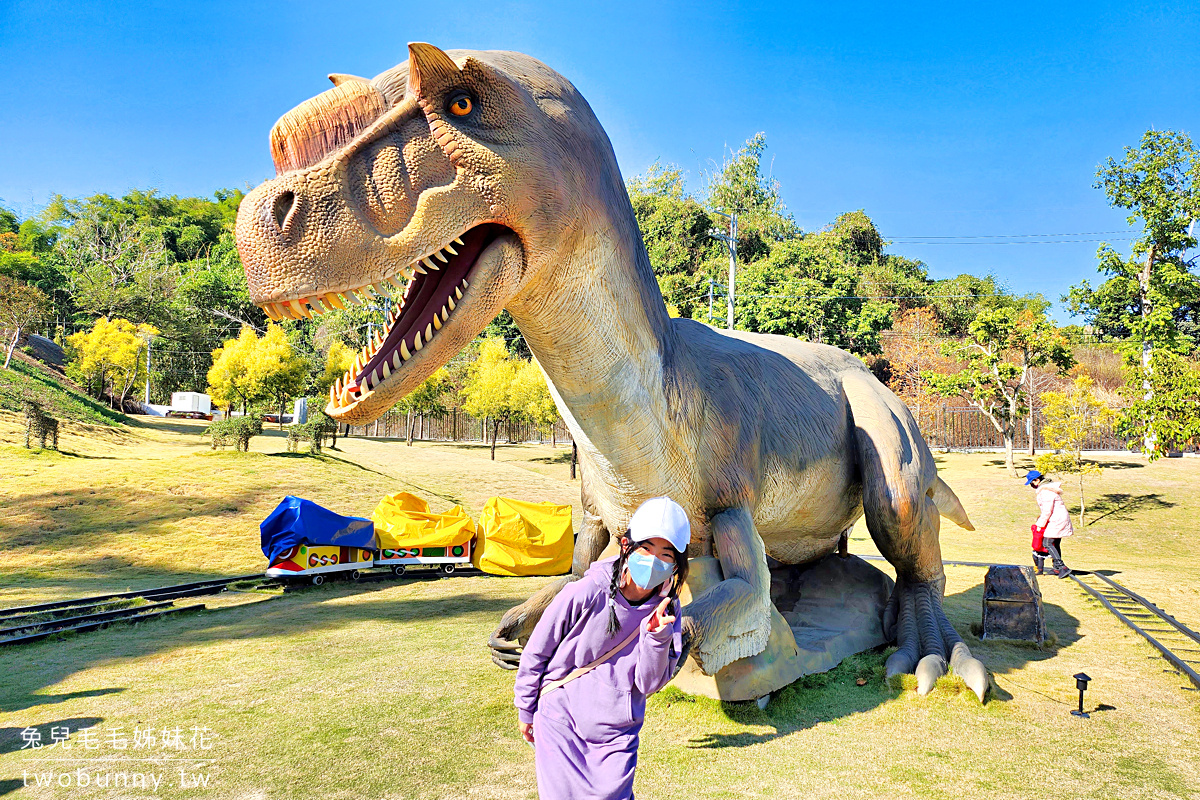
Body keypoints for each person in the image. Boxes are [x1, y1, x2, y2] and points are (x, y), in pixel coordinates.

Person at [513, 496, 690, 800]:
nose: (653, 560)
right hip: (561, 722)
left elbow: (648, 684)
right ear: (626, 546)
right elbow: (538, 651)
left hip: (616, 734)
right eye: (646, 548)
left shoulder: (668, 610)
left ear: (676, 563)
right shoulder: (587, 590)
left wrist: (656, 638)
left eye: (665, 554)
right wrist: (525, 708)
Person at [1024, 469, 1072, 578]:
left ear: (1037, 480)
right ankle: (1056, 568)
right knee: (1055, 543)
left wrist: (1039, 525)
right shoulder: (1048, 489)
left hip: (1056, 519)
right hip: (1058, 518)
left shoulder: (1045, 492)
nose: (1032, 485)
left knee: (1047, 543)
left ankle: (1062, 567)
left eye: (1032, 483)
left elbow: (1047, 511)